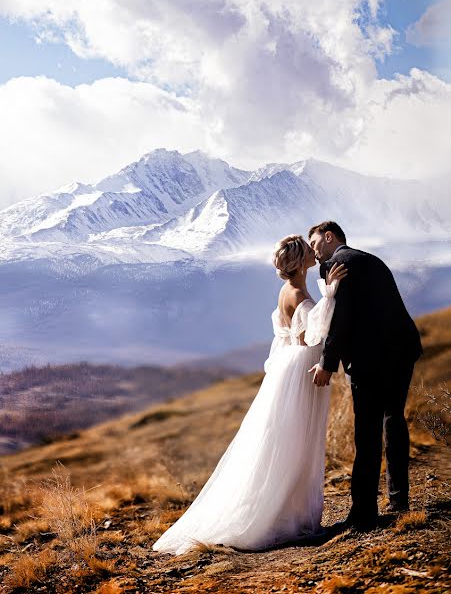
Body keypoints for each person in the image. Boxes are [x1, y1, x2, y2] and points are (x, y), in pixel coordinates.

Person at [153, 235, 347, 554]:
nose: (315, 253)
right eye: (307, 252)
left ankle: (287, 511)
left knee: (284, 441)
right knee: (295, 443)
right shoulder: (299, 293)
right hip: (300, 373)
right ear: (300, 264)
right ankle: (285, 517)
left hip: (288, 369)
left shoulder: (287, 290)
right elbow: (313, 333)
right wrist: (331, 294)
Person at [308, 221, 422, 530]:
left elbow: (340, 318)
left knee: (367, 432)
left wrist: (328, 363)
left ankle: (364, 512)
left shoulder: (336, 264)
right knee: (394, 419)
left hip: (369, 359)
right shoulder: (369, 259)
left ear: (329, 237)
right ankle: (399, 500)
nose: (314, 252)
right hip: (402, 349)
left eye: (316, 243)